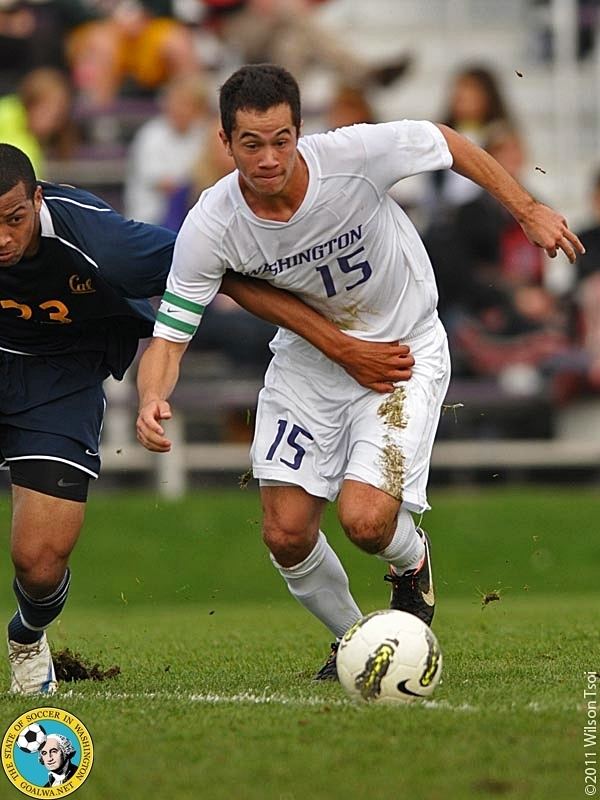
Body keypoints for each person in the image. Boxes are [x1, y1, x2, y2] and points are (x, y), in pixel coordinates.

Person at [136, 64, 584, 679]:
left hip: (402, 354)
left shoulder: (352, 156)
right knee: (286, 534)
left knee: (367, 521)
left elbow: (445, 141)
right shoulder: (211, 223)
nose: (269, 158)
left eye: (281, 139)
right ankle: (358, 640)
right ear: (224, 142)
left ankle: (412, 561)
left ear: (299, 130)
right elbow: (170, 332)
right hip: (308, 369)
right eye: (251, 144)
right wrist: (152, 397)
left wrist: (527, 208)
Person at [0, 142, 413, 695]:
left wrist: (334, 342)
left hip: (57, 380)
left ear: (38, 200)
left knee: (40, 562)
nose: (3, 238)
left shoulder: (104, 244)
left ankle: (26, 636)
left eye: (14, 219)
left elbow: (216, 270)